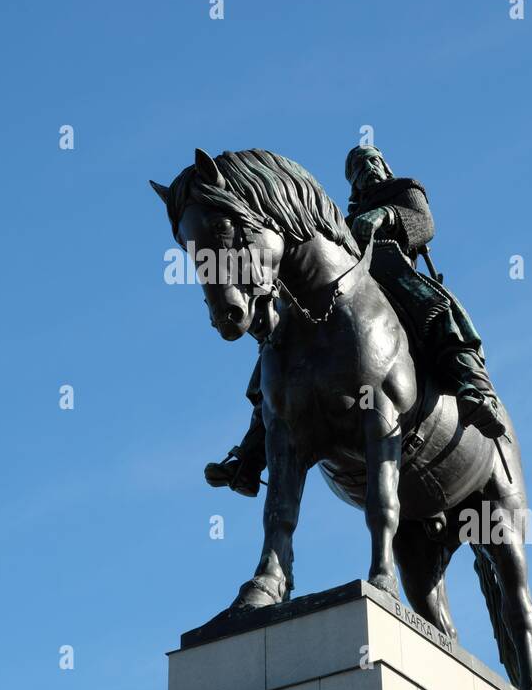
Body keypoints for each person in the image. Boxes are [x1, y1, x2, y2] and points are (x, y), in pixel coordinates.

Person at [204, 144, 507, 498]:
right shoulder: (342, 218)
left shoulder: (404, 189)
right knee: (280, 345)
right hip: (349, 288)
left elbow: (424, 224)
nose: (368, 169)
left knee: (439, 305)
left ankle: (475, 387)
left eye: (372, 162)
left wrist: (387, 217)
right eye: (358, 168)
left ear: (384, 164)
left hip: (393, 274)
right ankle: (251, 456)